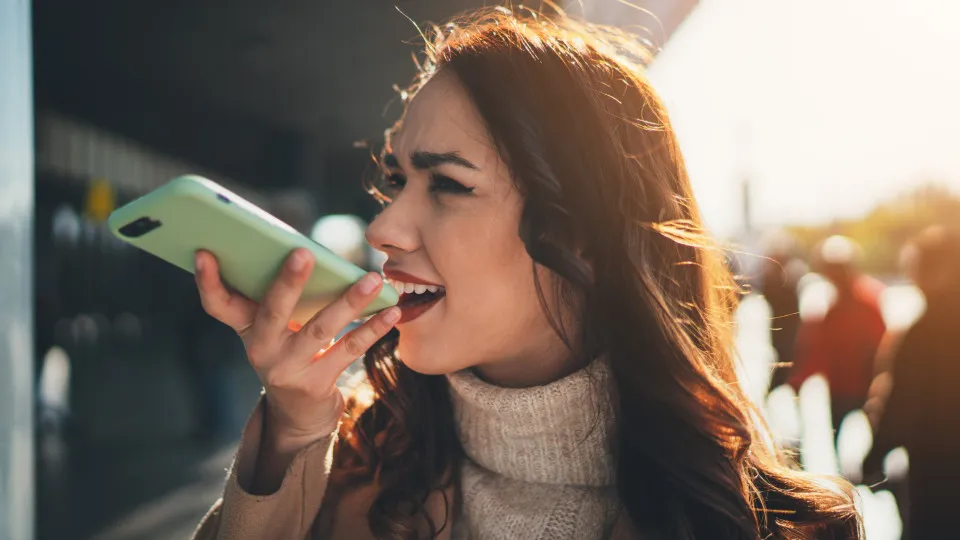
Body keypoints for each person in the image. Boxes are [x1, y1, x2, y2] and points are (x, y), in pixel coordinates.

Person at [191, 8, 861, 540]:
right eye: (395, 180)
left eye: (447, 184)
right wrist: (288, 432)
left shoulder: (780, 527)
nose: (383, 229)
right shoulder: (336, 469)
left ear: (585, 232)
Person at [863, 226, 960, 539]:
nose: (912, 274)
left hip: (936, 465)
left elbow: (904, 400)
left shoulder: (923, 332)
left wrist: (875, 456)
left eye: (917, 266)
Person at [789, 236, 886, 435]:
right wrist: (798, 381)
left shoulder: (869, 300)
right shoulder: (830, 306)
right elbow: (818, 349)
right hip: (839, 391)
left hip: (867, 390)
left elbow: (883, 349)